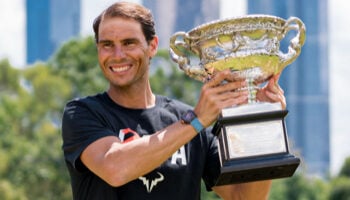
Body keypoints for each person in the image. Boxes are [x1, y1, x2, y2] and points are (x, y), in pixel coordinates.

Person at [61, 2, 286, 200]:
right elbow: (115, 168)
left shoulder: (188, 122)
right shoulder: (83, 113)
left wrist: (263, 124)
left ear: (152, 46)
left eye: (129, 43)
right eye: (107, 44)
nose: (118, 54)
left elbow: (243, 198)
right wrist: (196, 120)